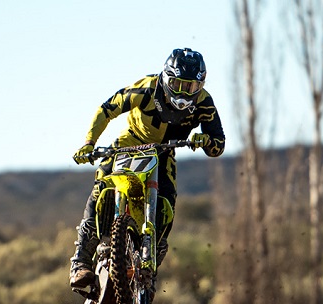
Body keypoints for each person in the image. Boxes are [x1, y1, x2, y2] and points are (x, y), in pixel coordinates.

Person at [69, 47, 226, 288]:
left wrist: (205, 141)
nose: (183, 92)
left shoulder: (204, 102)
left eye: (191, 87)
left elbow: (218, 144)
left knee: (168, 202)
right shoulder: (146, 88)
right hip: (130, 143)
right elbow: (107, 109)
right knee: (100, 188)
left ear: (201, 85)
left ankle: (150, 266)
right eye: (177, 84)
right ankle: (80, 261)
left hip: (163, 152)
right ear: (166, 78)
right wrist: (89, 143)